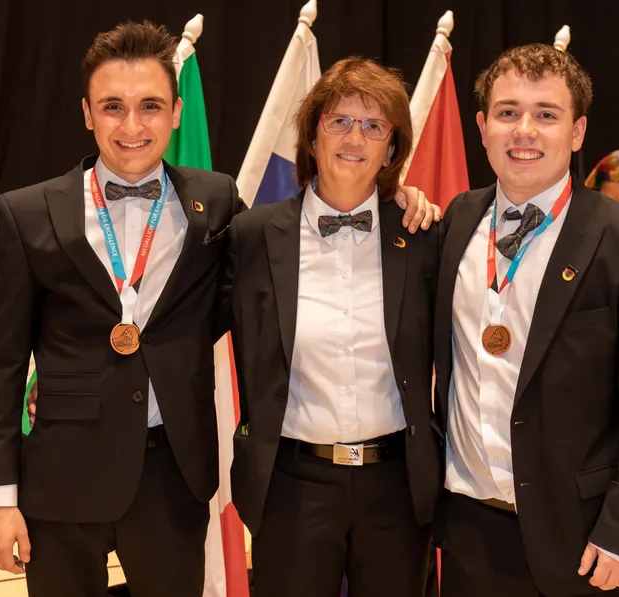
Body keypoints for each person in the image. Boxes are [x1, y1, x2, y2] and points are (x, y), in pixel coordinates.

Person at [0, 21, 437, 597]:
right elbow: (0, 366)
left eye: (150, 106)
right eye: (113, 107)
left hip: (175, 474)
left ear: (176, 113)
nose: (132, 125)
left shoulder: (217, 205)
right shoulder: (26, 213)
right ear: (87, 113)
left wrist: (399, 194)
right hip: (60, 476)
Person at [432, 43, 619, 597]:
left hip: (593, 546)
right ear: (482, 127)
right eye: (507, 112)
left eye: (546, 114)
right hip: (471, 538)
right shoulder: (455, 221)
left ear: (577, 132)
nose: (524, 130)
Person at [227, 57, 443, 597]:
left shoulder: (424, 236)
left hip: (398, 487)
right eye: (339, 120)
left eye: (373, 126)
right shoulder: (253, 236)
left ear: (391, 149)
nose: (354, 137)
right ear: (312, 135)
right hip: (292, 483)